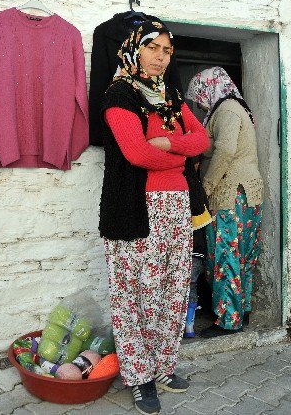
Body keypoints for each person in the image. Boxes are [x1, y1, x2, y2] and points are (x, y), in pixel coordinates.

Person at [98, 21, 209, 415]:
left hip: (176, 208)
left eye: (167, 50)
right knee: (135, 295)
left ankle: (162, 365)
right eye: (154, 48)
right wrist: (182, 156)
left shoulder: (171, 96)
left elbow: (203, 139)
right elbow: (137, 153)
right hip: (136, 210)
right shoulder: (119, 95)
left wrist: (171, 143)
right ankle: (139, 375)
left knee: (172, 290)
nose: (161, 57)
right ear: (134, 50)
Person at [186, 67, 264, 338]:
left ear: (208, 88)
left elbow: (225, 150)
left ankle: (228, 320)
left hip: (231, 193)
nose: (199, 102)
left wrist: (205, 187)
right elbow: (214, 145)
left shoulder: (227, 110)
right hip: (243, 194)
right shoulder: (229, 108)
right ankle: (240, 310)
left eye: (199, 96)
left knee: (226, 256)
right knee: (240, 255)